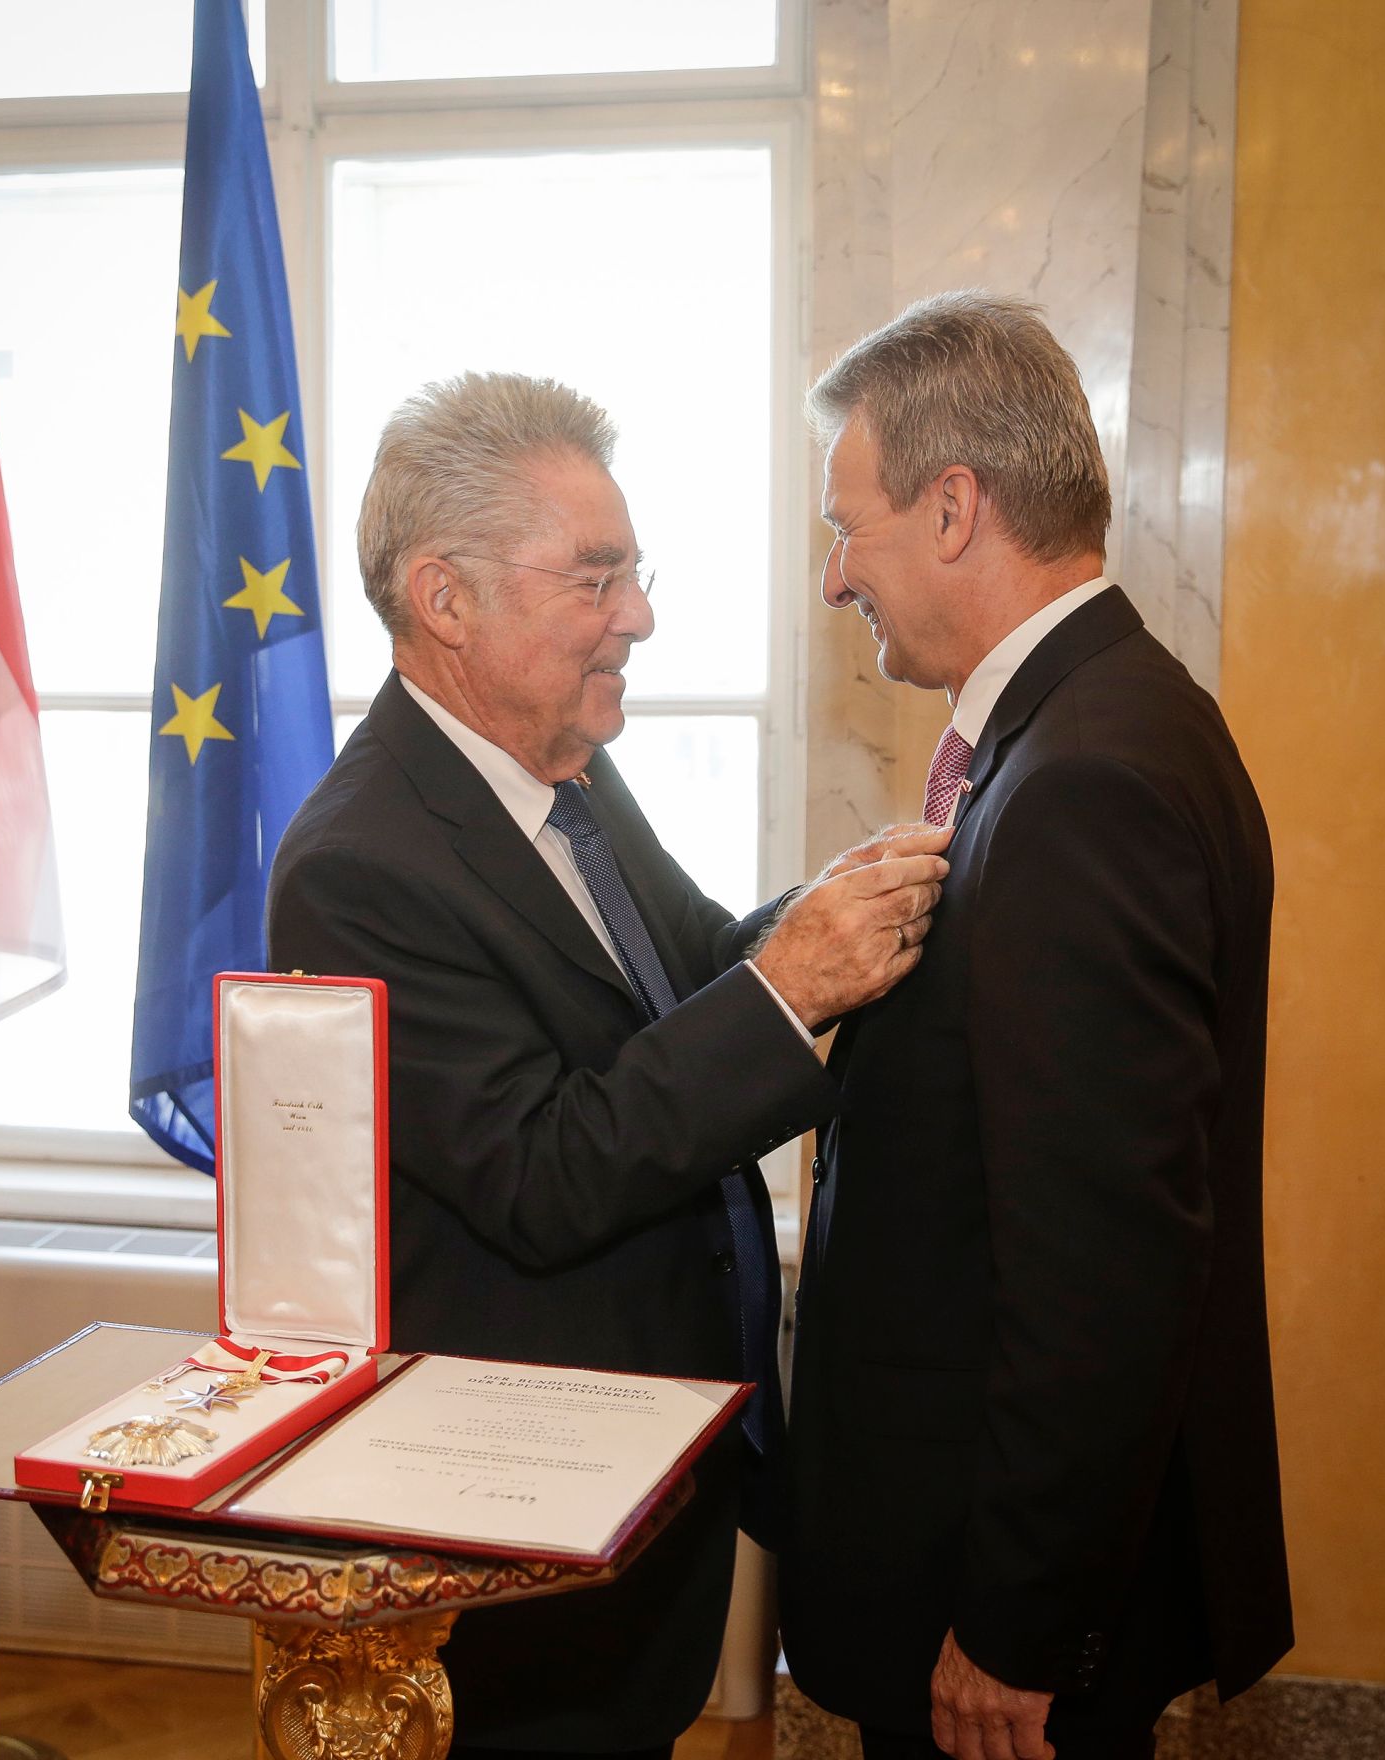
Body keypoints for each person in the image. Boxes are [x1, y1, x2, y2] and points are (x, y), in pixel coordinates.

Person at [268, 371, 949, 1759]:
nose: (637, 615)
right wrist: (794, 980)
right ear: (445, 598)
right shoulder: (355, 867)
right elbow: (543, 1174)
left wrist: (830, 909)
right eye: (595, 578)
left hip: (656, 1483)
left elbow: (695, 974)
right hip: (517, 1529)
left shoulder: (566, 766)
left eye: (636, 573)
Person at [779, 293, 1293, 1760]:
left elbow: (1105, 1264)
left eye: (848, 527)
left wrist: (1022, 1623)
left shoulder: (1083, 782)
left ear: (954, 510)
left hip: (1000, 1602)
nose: (833, 576)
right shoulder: (1085, 722)